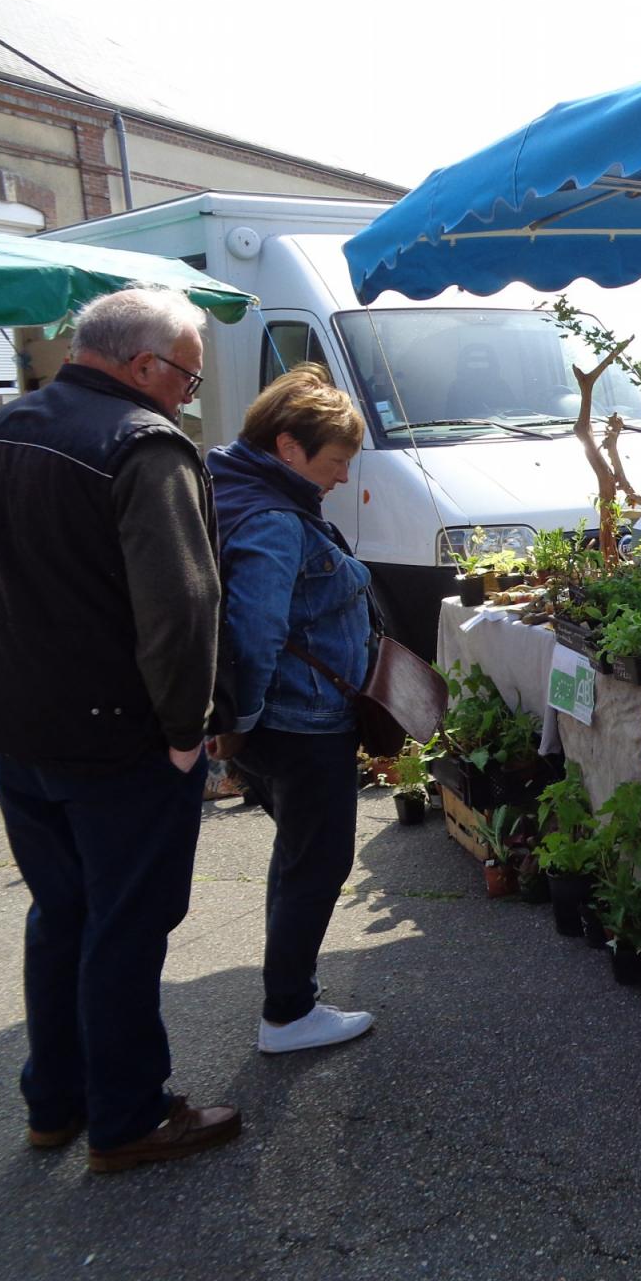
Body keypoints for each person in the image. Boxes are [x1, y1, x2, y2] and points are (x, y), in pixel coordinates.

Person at [0, 285, 242, 1174]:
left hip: (13, 728)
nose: (186, 398)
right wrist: (188, 731)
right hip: (116, 738)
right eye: (188, 380)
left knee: (62, 915)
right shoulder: (144, 445)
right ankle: (127, 1117)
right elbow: (183, 607)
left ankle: (56, 1101)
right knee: (124, 925)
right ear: (144, 365)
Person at [206, 363, 376, 1055]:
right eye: (335, 461)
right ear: (288, 448)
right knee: (319, 859)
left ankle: (289, 995)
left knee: (298, 854)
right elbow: (255, 631)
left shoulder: (237, 487)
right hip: (299, 724)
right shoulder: (275, 518)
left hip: (280, 722)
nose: (341, 476)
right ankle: (288, 1013)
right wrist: (237, 729)